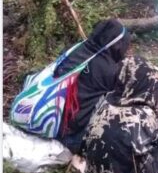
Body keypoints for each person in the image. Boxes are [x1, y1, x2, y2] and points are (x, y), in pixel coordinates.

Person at [55, 19, 131, 154]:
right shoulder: (110, 70)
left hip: (52, 116)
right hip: (69, 134)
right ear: (117, 45)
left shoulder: (77, 49)